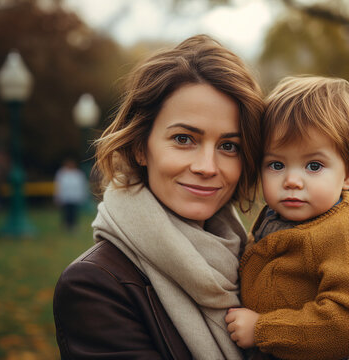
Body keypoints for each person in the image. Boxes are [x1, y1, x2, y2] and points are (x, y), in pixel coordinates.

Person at [53, 35, 264, 359]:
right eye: (184, 139)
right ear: (141, 147)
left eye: (228, 146)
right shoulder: (95, 285)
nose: (207, 167)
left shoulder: (257, 261)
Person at [225, 76, 349, 360]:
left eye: (314, 166)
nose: (292, 180)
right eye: (276, 164)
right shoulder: (277, 215)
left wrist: (261, 328)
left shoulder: (347, 228)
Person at [54, 158, 88, 231]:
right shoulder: (61, 173)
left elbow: (82, 185)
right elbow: (58, 186)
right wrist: (57, 196)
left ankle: (74, 226)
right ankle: (66, 226)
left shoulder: (78, 174)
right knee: (66, 213)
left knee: (74, 213)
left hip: (75, 197)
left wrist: (83, 196)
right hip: (65, 198)